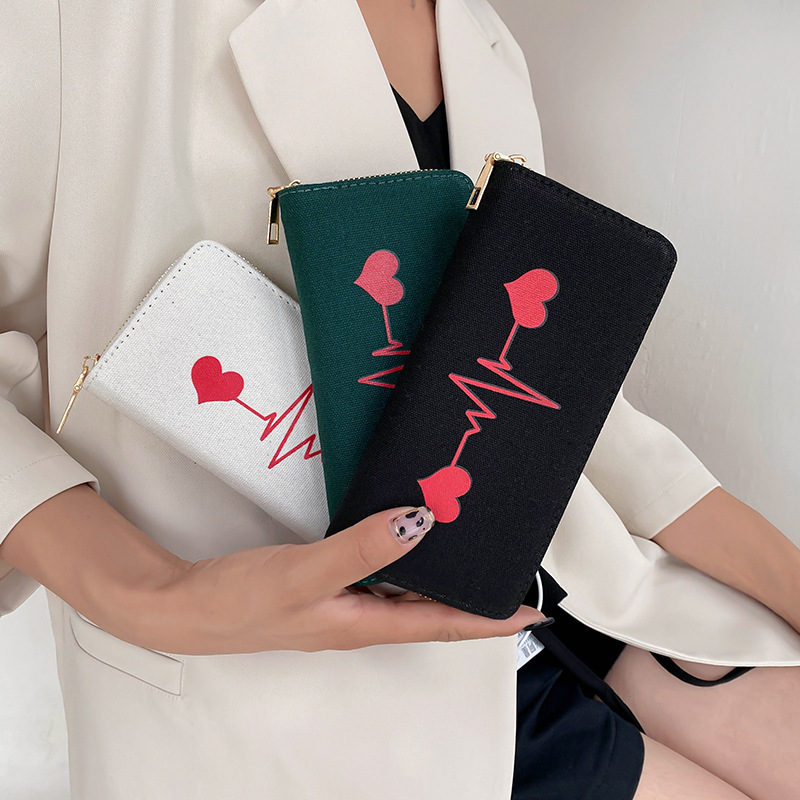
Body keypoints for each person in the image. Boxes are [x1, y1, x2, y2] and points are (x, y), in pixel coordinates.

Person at [1, 0, 799, 798]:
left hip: (552, 594)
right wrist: (146, 593)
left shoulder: (485, 44)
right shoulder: (84, 21)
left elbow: (550, 398)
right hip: (300, 695)